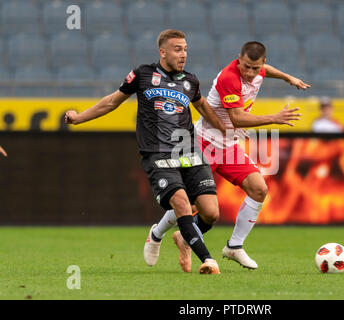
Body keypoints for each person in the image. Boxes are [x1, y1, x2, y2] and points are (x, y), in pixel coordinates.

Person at [65, 29, 228, 275]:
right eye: (177, 49)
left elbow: (203, 107)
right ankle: (208, 259)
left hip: (189, 150)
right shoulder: (142, 74)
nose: (183, 54)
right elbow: (111, 102)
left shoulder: (190, 81)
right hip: (158, 153)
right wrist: (79, 118)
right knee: (182, 203)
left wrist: (225, 129)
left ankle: (166, 235)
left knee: (211, 212)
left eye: (185, 49)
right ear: (162, 52)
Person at [145, 41, 310, 272]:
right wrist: (275, 117)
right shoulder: (229, 78)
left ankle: (233, 246)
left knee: (259, 189)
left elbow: (267, 70)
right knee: (189, 201)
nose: (250, 73)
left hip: (229, 145)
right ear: (238, 60)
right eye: (246, 67)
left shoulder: (258, 69)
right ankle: (156, 234)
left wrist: (287, 77)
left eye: (256, 68)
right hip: (202, 143)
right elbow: (237, 119)